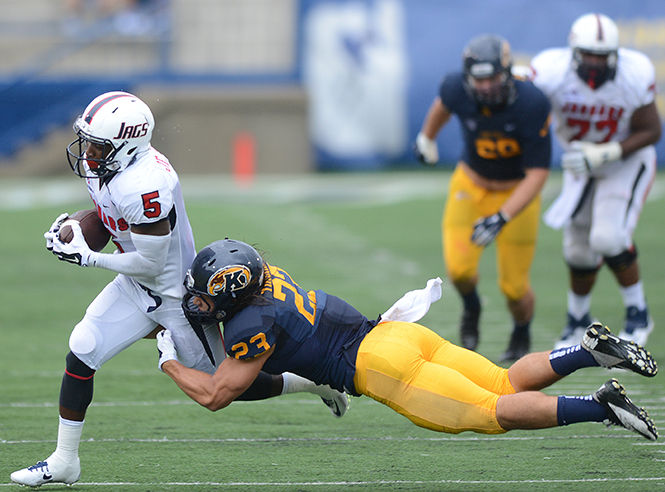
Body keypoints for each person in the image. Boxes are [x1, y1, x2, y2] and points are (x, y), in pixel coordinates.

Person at [10, 92, 348, 487]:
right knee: (83, 347)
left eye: (98, 145)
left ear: (126, 145)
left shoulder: (146, 184)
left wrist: (88, 257)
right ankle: (65, 460)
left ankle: (310, 381)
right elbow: (109, 220)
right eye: (89, 141)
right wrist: (78, 230)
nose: (88, 152)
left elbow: (151, 262)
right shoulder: (107, 167)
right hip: (135, 284)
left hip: (175, 295)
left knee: (225, 385)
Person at [157, 238, 659, 446]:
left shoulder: (249, 327)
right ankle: (588, 352)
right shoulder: (271, 279)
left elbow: (216, 394)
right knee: (503, 381)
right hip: (399, 334)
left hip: (381, 368)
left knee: (491, 411)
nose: (199, 302)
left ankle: (601, 408)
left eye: (206, 296)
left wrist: (168, 362)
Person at [414, 34, 552, 361]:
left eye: (493, 78)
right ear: (468, 78)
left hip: (516, 194)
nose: (487, 86)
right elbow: (441, 107)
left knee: (515, 289)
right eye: (480, 79)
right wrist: (426, 138)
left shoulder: (531, 103)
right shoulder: (456, 88)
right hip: (471, 186)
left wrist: (503, 216)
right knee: (459, 271)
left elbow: (538, 173)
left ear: (507, 73)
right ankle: (472, 306)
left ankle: (521, 330)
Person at [530, 13, 661, 349]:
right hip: (580, 163)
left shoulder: (633, 74)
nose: (595, 62)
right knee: (577, 250)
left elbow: (652, 130)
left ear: (615, 54)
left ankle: (638, 312)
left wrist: (608, 152)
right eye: (588, 54)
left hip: (625, 160)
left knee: (608, 237)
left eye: (602, 56)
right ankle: (577, 318)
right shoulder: (551, 72)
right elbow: (528, 111)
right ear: (574, 52)